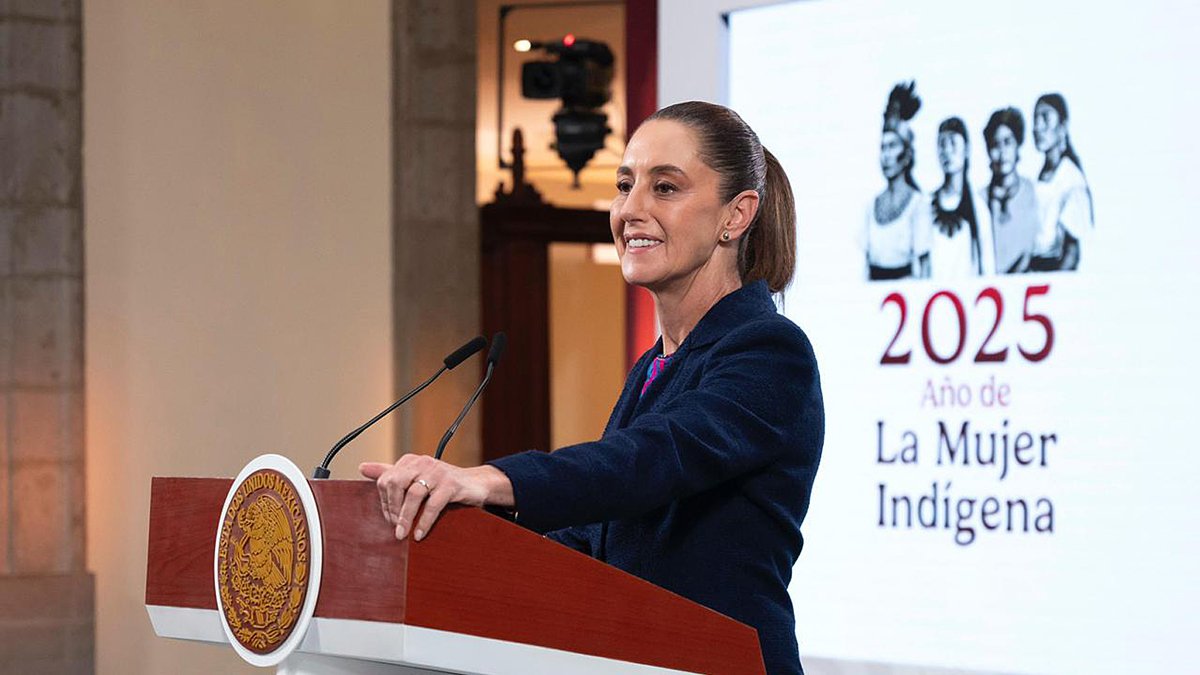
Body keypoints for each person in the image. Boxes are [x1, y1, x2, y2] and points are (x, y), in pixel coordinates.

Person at [360, 101, 824, 674]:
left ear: (737, 214)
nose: (631, 210)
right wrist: (451, 552)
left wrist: (490, 479)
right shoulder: (654, 367)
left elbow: (655, 458)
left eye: (665, 188)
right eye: (625, 185)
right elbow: (596, 540)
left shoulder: (770, 350)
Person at [861, 81, 931, 280]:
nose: (886, 155)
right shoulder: (871, 206)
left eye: (892, 146)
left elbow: (925, 269)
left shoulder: (918, 204)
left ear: (907, 154)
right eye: (883, 147)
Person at [1031, 93, 1093, 271]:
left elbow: (1072, 252)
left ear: (1063, 126)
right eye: (1035, 120)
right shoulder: (1044, 174)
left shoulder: (1071, 179)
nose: (1037, 127)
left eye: (1045, 118)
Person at [928, 117, 993, 278]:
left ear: (967, 149)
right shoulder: (926, 205)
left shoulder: (979, 209)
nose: (947, 151)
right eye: (942, 144)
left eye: (953, 143)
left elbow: (987, 268)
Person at [982, 107, 1039, 273]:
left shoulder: (1033, 193)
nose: (1002, 153)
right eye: (995, 145)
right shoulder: (979, 200)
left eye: (1007, 142)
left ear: (1017, 145)